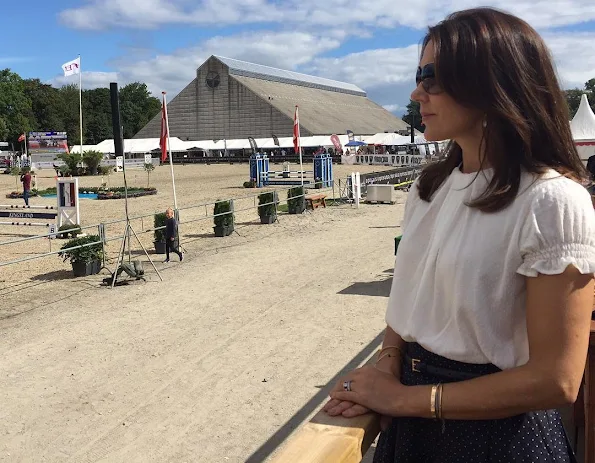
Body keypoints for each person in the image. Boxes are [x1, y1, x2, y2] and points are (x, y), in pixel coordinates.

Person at [324, 8, 595, 462]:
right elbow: (409, 297)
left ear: (491, 86)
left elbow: (557, 379)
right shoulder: (429, 187)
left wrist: (403, 399)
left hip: (496, 435)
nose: (416, 92)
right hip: (414, 425)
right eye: (418, 76)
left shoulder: (552, 201)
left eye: (432, 78)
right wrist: (389, 364)